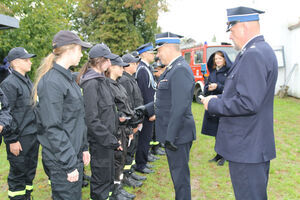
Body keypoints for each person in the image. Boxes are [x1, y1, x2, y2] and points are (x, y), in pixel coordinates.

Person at [201, 7, 278, 200]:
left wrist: (213, 105)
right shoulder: (260, 50)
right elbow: (248, 94)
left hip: (247, 147)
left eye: (231, 29)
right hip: (251, 145)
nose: (231, 35)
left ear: (243, 27)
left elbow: (248, 103)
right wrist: (218, 98)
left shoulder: (253, 54)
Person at [33, 30, 91, 200]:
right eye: (80, 50)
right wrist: (69, 163)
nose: (81, 55)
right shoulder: (52, 82)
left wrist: (84, 147)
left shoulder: (68, 79)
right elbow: (52, 128)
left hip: (73, 154)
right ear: (70, 50)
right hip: (62, 160)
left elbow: (77, 119)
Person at [154, 32, 196, 200]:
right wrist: (145, 109)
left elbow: (180, 106)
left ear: (169, 48)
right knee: (177, 176)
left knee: (180, 179)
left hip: (178, 135)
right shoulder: (172, 69)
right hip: (175, 134)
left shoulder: (179, 70)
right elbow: (165, 100)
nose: (157, 55)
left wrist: (170, 137)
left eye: (159, 50)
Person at [79, 43, 122, 200]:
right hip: (100, 142)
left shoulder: (101, 80)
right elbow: (92, 119)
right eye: (108, 60)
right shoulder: (90, 83)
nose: (111, 64)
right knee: (100, 182)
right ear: (100, 61)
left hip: (108, 141)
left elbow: (108, 112)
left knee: (108, 179)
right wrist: (111, 140)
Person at [0, 47, 39, 200]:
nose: (30, 62)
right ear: (15, 62)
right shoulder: (9, 84)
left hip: (32, 137)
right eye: (26, 59)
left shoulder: (27, 81)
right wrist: (12, 140)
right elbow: (6, 114)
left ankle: (27, 197)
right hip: (19, 139)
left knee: (29, 173)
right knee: (18, 177)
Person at [106, 55, 139, 199]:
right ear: (111, 67)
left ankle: (118, 187)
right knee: (116, 161)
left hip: (124, 128)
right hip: (115, 129)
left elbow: (126, 105)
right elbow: (110, 110)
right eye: (120, 66)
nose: (122, 68)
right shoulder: (107, 85)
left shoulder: (118, 84)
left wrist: (129, 128)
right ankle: (114, 191)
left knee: (121, 159)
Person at [119, 53, 147, 185]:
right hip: (131, 122)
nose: (137, 65)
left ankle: (130, 173)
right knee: (128, 150)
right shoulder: (124, 80)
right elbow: (127, 104)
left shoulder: (130, 78)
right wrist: (132, 124)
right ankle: (125, 177)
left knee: (132, 149)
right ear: (127, 65)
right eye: (134, 63)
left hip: (136, 119)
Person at [201, 51, 232, 166]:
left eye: (220, 58)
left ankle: (225, 155)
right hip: (213, 105)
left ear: (225, 60)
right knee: (216, 131)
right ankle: (218, 153)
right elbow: (206, 86)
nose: (217, 61)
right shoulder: (213, 72)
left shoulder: (229, 72)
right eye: (216, 59)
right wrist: (207, 88)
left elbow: (230, 89)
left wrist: (218, 86)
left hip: (224, 105)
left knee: (224, 131)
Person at [134, 43, 157, 174]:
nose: (153, 55)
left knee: (147, 137)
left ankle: (144, 160)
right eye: (150, 53)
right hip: (147, 111)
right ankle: (140, 164)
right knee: (144, 138)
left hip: (150, 109)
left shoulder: (146, 68)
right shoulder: (142, 70)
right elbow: (144, 93)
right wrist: (150, 112)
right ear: (143, 54)